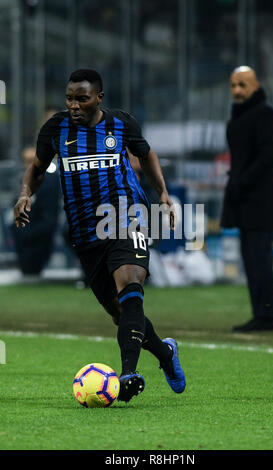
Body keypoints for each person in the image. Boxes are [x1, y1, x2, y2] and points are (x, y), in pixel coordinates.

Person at [14, 68, 185, 402]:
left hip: (126, 216)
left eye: (82, 98)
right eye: (69, 98)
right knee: (120, 314)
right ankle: (165, 353)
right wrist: (25, 194)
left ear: (99, 98)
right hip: (85, 232)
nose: (74, 105)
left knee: (131, 286)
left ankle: (128, 374)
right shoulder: (56, 129)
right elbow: (36, 169)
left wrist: (162, 192)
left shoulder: (121, 124)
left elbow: (146, 153)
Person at [220, 66, 273, 332]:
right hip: (245, 198)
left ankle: (267, 316)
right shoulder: (238, 117)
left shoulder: (265, 114)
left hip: (260, 198)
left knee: (259, 259)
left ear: (256, 85)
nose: (237, 90)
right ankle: (260, 313)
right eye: (234, 85)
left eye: (243, 85)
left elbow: (269, 155)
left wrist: (241, 181)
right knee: (251, 259)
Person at [11, 145, 59, 275]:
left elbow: (49, 217)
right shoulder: (20, 180)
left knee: (32, 268)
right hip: (25, 231)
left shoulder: (50, 182)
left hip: (39, 232)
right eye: (26, 160)